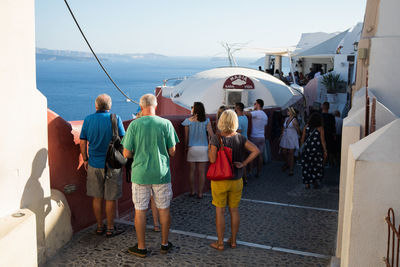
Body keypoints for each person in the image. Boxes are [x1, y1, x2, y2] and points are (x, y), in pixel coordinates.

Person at [122, 94, 179, 258]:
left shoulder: (134, 125)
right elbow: (172, 151)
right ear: (156, 105)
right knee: (164, 209)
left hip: (140, 175)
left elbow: (126, 153)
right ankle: (164, 244)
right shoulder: (166, 124)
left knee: (139, 211)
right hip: (161, 174)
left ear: (141, 107)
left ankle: (141, 247)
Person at [208, 110, 259, 251]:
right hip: (237, 180)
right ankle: (233, 241)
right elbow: (256, 150)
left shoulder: (216, 138)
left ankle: (219, 243)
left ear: (221, 121)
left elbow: (212, 159)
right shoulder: (241, 138)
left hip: (220, 181)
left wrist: (210, 147)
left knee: (220, 211)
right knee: (234, 210)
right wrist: (243, 164)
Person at [79, 94, 125, 237]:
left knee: (97, 197)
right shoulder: (115, 119)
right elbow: (123, 140)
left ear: (96, 106)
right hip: (112, 164)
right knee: (110, 198)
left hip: (94, 164)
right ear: (109, 106)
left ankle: (99, 227)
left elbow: (82, 142)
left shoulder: (88, 119)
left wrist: (85, 159)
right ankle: (110, 228)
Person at [182, 102, 214, 198]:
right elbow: (211, 135)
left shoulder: (188, 121)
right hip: (203, 148)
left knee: (191, 171)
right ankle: (200, 193)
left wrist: (185, 147)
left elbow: (186, 137)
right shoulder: (206, 121)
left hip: (192, 148)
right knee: (201, 172)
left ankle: (192, 191)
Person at [300, 112, 327, 188]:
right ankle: (315, 182)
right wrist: (325, 150)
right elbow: (323, 140)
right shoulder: (320, 128)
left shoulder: (306, 127)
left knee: (306, 166)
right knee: (316, 166)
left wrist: (301, 148)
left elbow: (302, 139)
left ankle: (307, 184)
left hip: (307, 150)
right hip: (317, 150)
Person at [248, 99, 268, 177]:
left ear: (258, 104)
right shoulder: (265, 115)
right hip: (262, 137)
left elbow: (246, 114)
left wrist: (250, 111)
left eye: (255, 104)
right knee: (260, 155)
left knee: (252, 154)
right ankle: (258, 172)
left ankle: (250, 172)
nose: (254, 105)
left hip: (254, 137)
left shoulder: (257, 113)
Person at [279, 107, 301, 176]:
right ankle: (288, 163)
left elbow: (298, 130)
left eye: (288, 111)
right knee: (284, 152)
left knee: (291, 153)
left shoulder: (294, 120)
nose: (287, 112)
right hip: (286, 137)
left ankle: (291, 169)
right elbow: (283, 127)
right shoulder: (286, 119)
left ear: (291, 112)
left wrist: (299, 136)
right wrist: (281, 136)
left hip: (292, 137)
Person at [235, 102, 249, 184]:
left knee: (239, 161)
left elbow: (239, 131)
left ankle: (242, 178)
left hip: (240, 142)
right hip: (246, 140)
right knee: (243, 160)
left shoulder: (238, 119)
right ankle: (245, 178)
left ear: (237, 108)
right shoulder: (245, 117)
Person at [321, 102, 336, 166]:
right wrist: (334, 135)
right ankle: (326, 162)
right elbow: (333, 126)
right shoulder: (331, 116)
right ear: (329, 108)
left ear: (322, 107)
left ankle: (322, 162)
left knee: (321, 148)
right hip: (329, 135)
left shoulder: (319, 115)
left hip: (320, 134)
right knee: (328, 149)